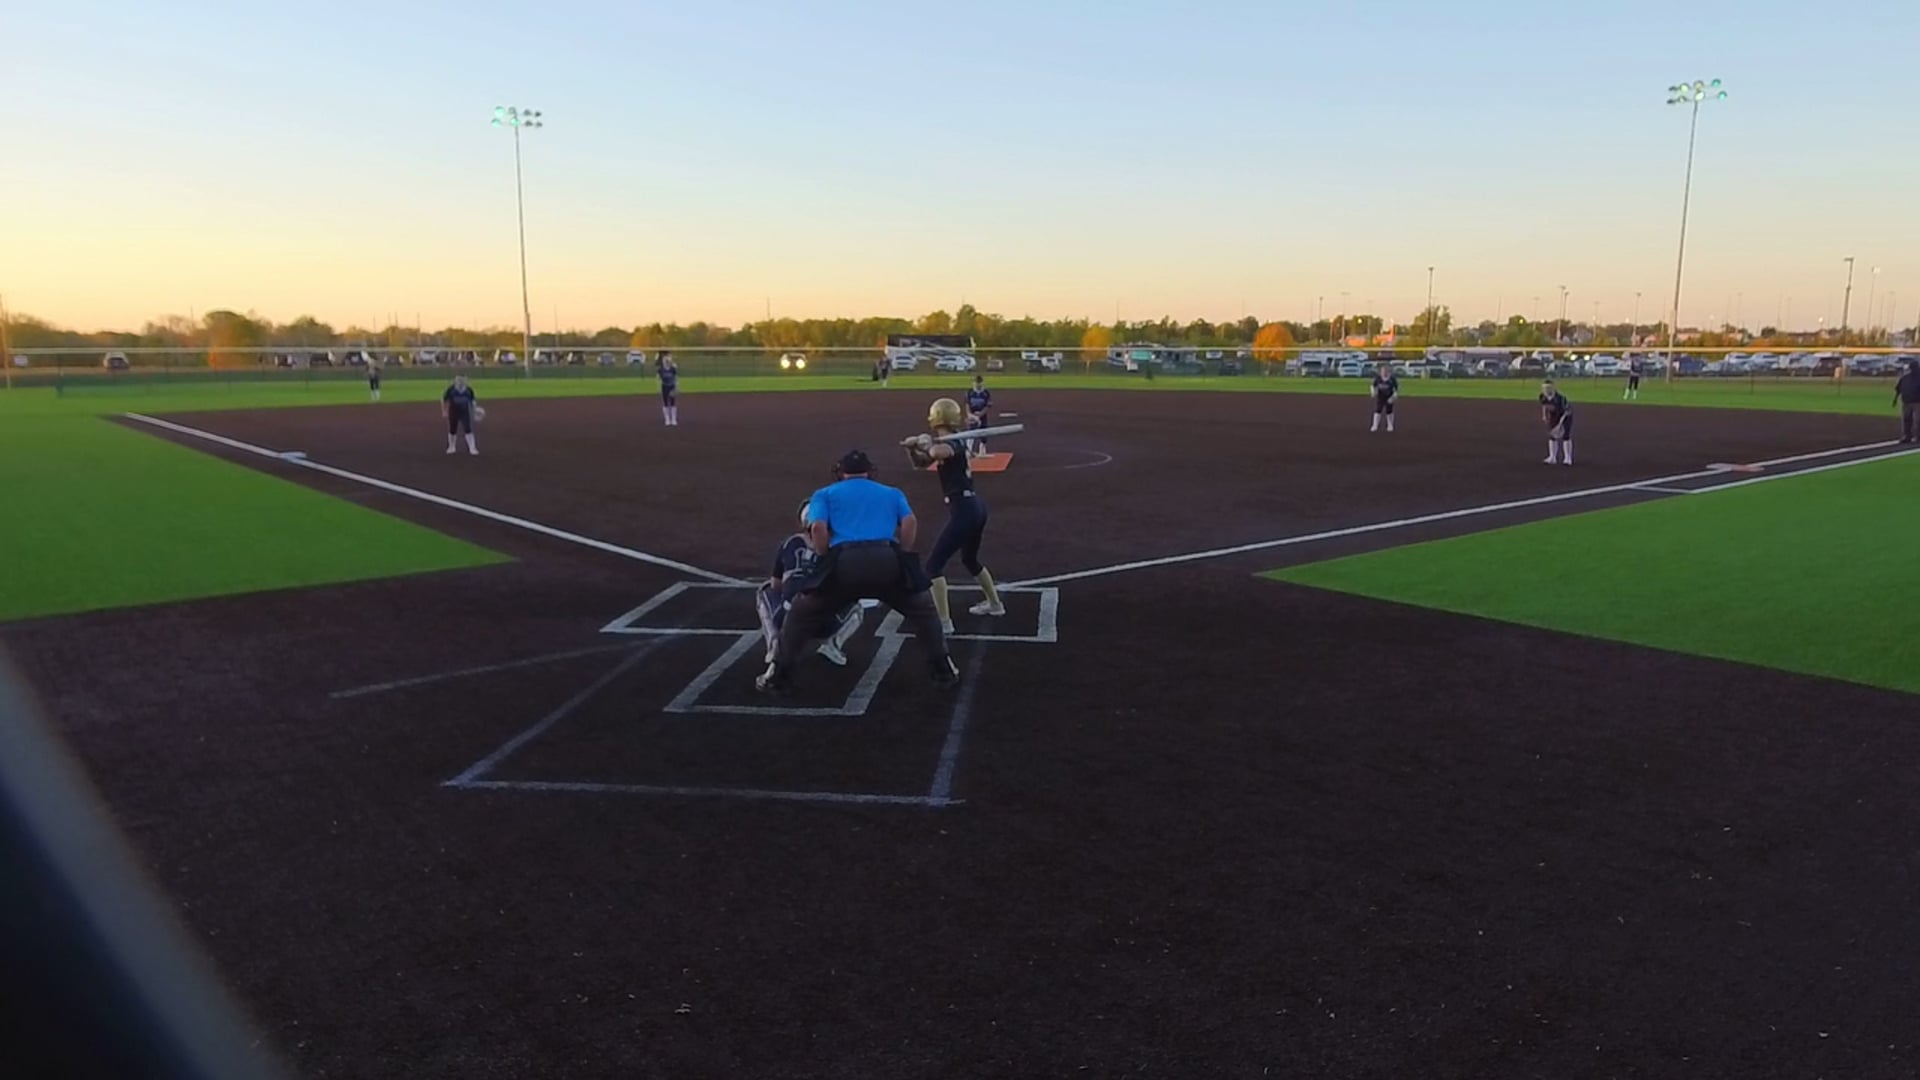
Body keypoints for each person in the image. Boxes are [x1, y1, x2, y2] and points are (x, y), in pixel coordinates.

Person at [756, 450, 957, 694]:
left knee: (801, 614)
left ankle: (777, 674)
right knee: (924, 611)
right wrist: (902, 553)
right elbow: (910, 522)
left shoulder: (824, 494)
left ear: (841, 472)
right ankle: (943, 668)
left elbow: (817, 527)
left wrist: (824, 557)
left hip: (844, 562)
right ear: (869, 471)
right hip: (887, 559)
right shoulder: (891, 492)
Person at [903, 398, 1006, 633]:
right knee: (970, 560)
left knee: (933, 567)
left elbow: (938, 451)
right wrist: (912, 448)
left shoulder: (953, 442)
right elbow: (921, 463)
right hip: (972, 508)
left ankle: (944, 623)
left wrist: (926, 441)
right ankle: (995, 604)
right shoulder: (952, 440)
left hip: (965, 510)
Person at [755, 500, 865, 667]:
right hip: (825, 624)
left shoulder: (789, 543)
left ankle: (774, 642)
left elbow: (776, 585)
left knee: (764, 591)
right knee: (856, 603)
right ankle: (833, 644)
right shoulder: (839, 547)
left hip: (787, 621)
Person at [441, 374, 478, 455]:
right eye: (458, 380)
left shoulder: (469, 390)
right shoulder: (451, 389)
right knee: (452, 429)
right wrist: (444, 411)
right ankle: (451, 447)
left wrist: (475, 411)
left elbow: (473, 401)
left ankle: (472, 448)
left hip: (465, 412)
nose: (460, 382)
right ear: (455, 381)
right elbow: (444, 400)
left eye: (462, 380)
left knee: (468, 429)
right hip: (453, 412)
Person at [1539, 380, 1574, 465]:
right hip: (1554, 416)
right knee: (1552, 436)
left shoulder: (1561, 399)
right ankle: (1552, 457)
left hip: (1565, 417)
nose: (1547, 390)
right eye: (1545, 388)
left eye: (1549, 388)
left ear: (1553, 388)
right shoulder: (1542, 396)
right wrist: (1544, 415)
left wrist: (1560, 423)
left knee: (1566, 436)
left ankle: (1568, 458)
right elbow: (1544, 405)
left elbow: (1568, 411)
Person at [965, 375, 993, 454]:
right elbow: (967, 404)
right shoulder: (970, 392)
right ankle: (968, 450)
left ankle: (982, 450)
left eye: (979, 383)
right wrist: (969, 415)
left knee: (983, 433)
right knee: (971, 432)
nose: (978, 385)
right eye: (976, 383)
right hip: (972, 415)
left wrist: (980, 415)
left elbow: (987, 406)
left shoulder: (986, 393)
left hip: (982, 415)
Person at [1369, 363, 1399, 432]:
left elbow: (1396, 389)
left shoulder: (1392, 379)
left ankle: (1390, 425)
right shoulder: (1378, 378)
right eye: (1382, 371)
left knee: (1389, 411)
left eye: (1385, 371)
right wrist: (1373, 392)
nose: (1384, 373)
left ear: (1388, 371)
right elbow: (1373, 386)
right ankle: (1375, 425)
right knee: (1378, 410)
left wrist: (1394, 397)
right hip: (1380, 397)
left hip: (1389, 397)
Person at [1896, 360, 1920, 444]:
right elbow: (1898, 388)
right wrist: (1895, 399)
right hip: (1906, 401)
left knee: (1918, 420)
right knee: (1906, 420)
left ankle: (1918, 436)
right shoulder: (1905, 378)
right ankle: (1907, 436)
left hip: (1918, 402)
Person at [657, 351, 679, 426]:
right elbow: (658, 379)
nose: (666, 362)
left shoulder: (673, 369)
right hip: (664, 386)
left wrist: (677, 387)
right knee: (665, 403)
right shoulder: (661, 370)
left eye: (667, 361)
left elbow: (676, 378)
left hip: (672, 386)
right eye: (665, 361)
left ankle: (673, 419)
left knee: (673, 402)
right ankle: (667, 419)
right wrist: (659, 388)